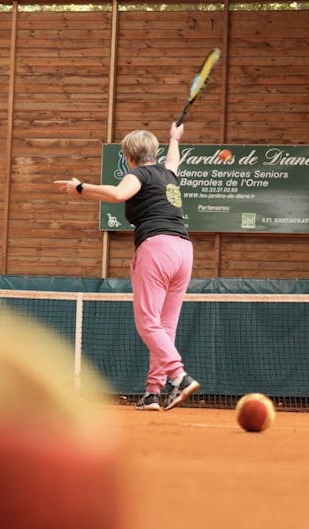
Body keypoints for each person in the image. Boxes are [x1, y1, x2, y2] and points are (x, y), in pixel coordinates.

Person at [54, 122, 199, 411]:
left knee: (148, 323)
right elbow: (174, 159)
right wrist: (174, 137)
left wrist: (81, 187)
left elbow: (119, 194)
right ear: (153, 152)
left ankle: (179, 377)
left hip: (156, 248)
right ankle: (153, 392)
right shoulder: (168, 173)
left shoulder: (139, 174)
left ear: (128, 157)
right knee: (164, 327)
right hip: (183, 250)